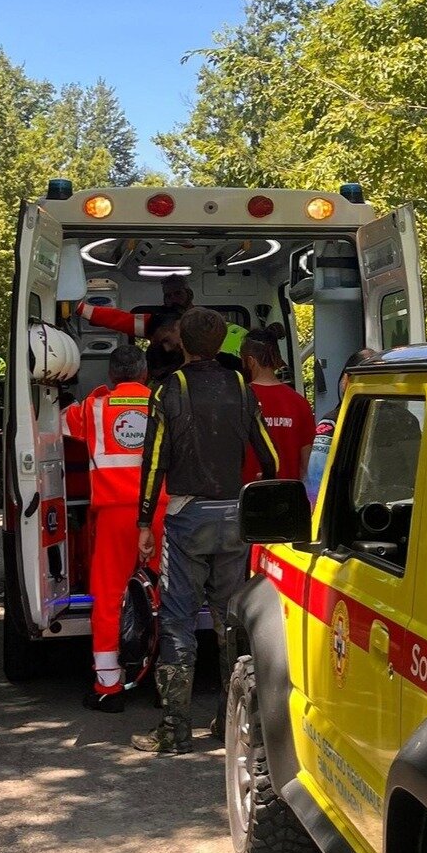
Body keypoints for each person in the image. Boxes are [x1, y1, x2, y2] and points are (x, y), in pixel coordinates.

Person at [134, 306, 278, 755]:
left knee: (177, 619)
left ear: (183, 341)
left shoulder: (168, 389)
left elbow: (154, 460)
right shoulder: (241, 386)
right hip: (235, 515)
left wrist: (143, 521)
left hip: (187, 517)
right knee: (228, 620)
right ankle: (227, 721)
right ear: (223, 341)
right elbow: (268, 454)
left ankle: (175, 730)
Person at [62, 343, 164, 711]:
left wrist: (99, 393)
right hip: (160, 513)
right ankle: (164, 680)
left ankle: (109, 687)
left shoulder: (94, 406)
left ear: (110, 375)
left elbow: (60, 423)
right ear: (144, 373)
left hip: (115, 515)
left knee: (107, 597)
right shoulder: (162, 401)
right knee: (164, 594)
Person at [241, 328, 315, 483]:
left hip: (247, 498)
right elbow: (306, 464)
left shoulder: (240, 400)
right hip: (287, 498)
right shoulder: (299, 403)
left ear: (250, 361)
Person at [78, 278, 193, 344]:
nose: (173, 298)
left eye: (178, 293)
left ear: (189, 294)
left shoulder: (203, 319)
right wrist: (80, 308)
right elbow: (119, 320)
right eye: (168, 296)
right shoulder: (158, 321)